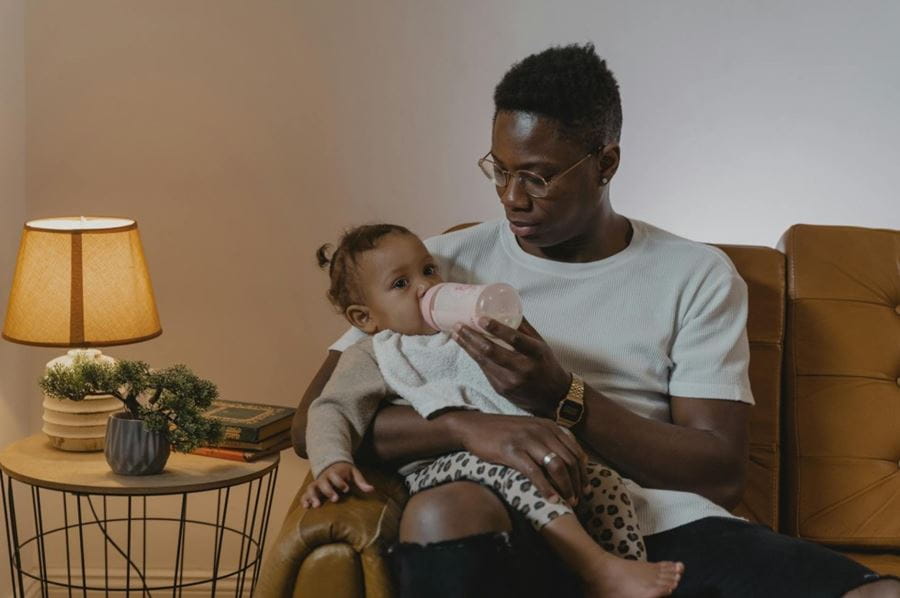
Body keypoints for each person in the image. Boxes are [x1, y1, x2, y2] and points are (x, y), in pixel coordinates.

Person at [293, 44, 900, 597]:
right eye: (499, 169)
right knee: (441, 512)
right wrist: (470, 428)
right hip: (507, 517)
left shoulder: (694, 275)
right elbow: (316, 417)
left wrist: (562, 394)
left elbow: (719, 473)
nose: (511, 197)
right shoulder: (434, 264)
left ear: (605, 163)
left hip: (655, 524)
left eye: (536, 176)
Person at [300, 223, 684, 597]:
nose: (425, 287)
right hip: (444, 467)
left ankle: (624, 570)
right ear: (364, 317)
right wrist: (332, 462)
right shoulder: (375, 354)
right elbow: (331, 408)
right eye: (401, 284)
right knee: (518, 474)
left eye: (428, 270)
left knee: (604, 484)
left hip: (518, 454)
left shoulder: (468, 333)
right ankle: (597, 568)